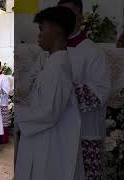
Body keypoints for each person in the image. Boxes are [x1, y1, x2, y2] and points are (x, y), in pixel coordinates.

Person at [15, 6, 85, 180]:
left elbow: (49, 113)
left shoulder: (57, 68)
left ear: (57, 29)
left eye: (41, 29)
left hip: (48, 142)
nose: (38, 35)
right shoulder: (52, 63)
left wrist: (18, 113)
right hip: (44, 137)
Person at [58, 1, 111, 179]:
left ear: (80, 17)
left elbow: (99, 93)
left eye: (70, 13)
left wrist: (62, 92)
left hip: (85, 131)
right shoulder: (51, 51)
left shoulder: (93, 52)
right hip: (57, 131)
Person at [0, 60, 11, 144]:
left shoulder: (4, 77)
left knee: (2, 121)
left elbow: (7, 90)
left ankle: (3, 139)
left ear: (0, 67)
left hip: (2, 102)